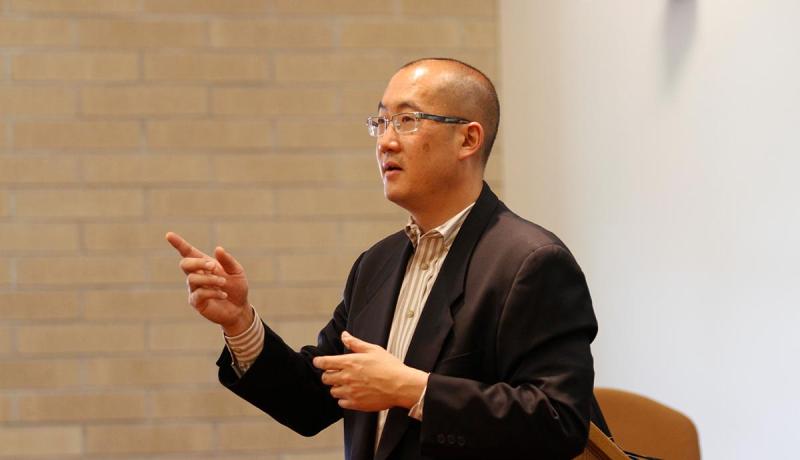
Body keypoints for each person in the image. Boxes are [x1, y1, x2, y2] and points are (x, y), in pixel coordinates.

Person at [167, 58, 606, 460]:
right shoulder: (375, 264)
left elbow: (558, 420)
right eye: (381, 122)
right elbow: (311, 402)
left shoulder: (530, 262)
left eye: (407, 120)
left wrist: (412, 389)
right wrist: (240, 324)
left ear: (468, 138)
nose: (386, 142)